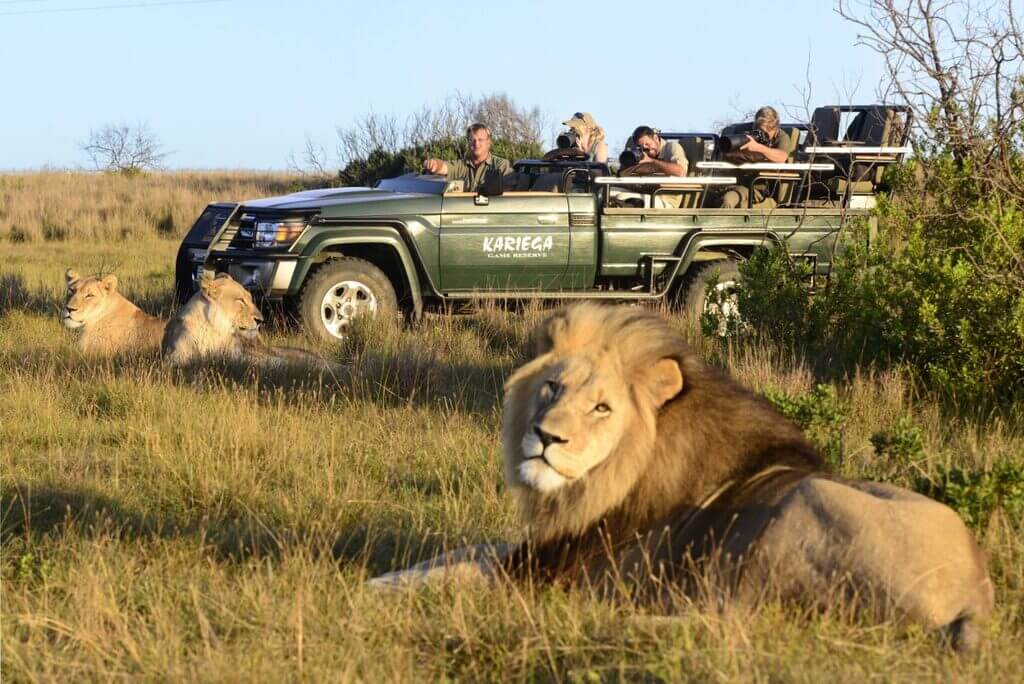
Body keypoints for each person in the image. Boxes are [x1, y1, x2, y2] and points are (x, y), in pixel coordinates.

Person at [719, 106, 791, 209]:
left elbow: (781, 157)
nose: (763, 135)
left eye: (767, 132)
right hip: (730, 181)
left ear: (775, 128)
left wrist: (758, 148)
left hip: (756, 188)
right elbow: (726, 153)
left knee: (728, 200)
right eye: (760, 130)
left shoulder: (782, 137)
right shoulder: (744, 131)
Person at [424, 123, 514, 192]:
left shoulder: (501, 165)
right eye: (472, 140)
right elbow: (444, 167)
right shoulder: (461, 165)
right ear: (468, 143)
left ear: (489, 142)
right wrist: (434, 164)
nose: (476, 144)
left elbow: (509, 193)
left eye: (480, 140)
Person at [621, 126, 689, 177]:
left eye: (647, 144)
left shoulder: (672, 147)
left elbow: (681, 172)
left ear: (656, 138)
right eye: (641, 147)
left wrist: (652, 161)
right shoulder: (639, 154)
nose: (645, 148)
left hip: (665, 191)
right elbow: (622, 173)